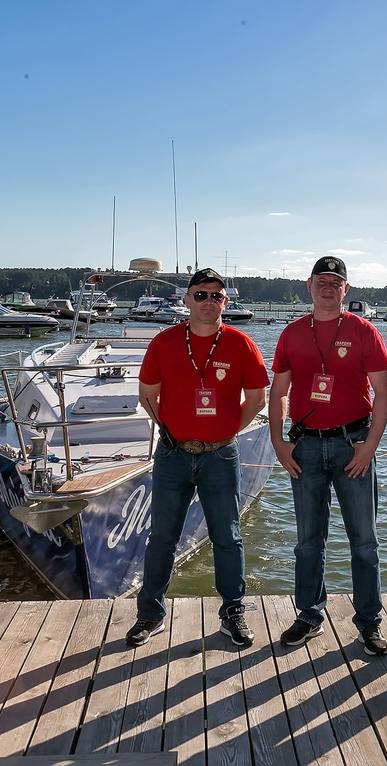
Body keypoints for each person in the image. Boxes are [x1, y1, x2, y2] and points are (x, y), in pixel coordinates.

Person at [126, 268, 269, 648]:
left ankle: (233, 612)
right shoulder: (164, 342)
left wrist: (226, 432)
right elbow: (147, 395)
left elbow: (257, 401)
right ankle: (150, 614)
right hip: (173, 454)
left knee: (228, 537)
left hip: (220, 455)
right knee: (162, 538)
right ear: (187, 300)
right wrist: (170, 430)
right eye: (201, 295)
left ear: (227, 302)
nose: (209, 302)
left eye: (216, 296)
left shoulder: (241, 344)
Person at [269, 256, 387, 655]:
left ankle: (369, 623)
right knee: (308, 541)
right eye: (321, 281)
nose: (327, 287)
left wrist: (370, 446)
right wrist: (278, 441)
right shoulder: (291, 333)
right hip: (304, 445)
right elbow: (279, 392)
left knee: (365, 540)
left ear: (346, 290)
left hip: (351, 444)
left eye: (334, 282)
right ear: (309, 285)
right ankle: (309, 616)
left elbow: (383, 393)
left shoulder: (363, 331)